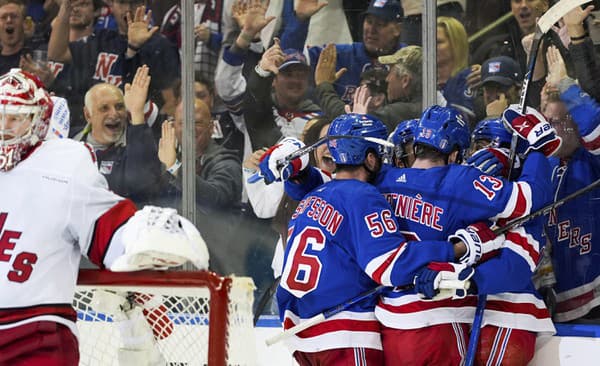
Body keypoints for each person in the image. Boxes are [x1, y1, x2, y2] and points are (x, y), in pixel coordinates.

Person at [265, 104, 559, 364]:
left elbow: (333, 183)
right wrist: (538, 150)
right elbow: (530, 199)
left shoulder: (382, 181)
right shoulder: (461, 181)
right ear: (457, 152)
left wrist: (298, 172)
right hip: (435, 322)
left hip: (384, 325)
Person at [0, 68, 207, 366]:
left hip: (33, 336)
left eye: (15, 118)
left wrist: (142, 237)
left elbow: (106, 226)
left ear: (38, 122)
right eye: (0, 117)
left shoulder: (63, 165)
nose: (5, 128)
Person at [48, 0, 180, 128]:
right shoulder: (101, 39)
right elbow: (56, 54)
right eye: (122, 2)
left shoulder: (160, 46)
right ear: (112, 5)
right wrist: (65, 7)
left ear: (144, 4)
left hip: (135, 130)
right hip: (93, 129)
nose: (128, 8)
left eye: (134, 2)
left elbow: (170, 103)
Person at [541, 45, 600, 323]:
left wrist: (565, 84)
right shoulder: (544, 166)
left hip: (594, 305)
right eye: (548, 122)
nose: (550, 131)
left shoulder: (592, 163)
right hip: (553, 304)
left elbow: (595, 126)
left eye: (558, 122)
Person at [280, 0, 404, 103]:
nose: (371, 30)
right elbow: (287, 57)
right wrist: (300, 21)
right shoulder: (340, 55)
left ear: (397, 29)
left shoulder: (409, 59)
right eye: (369, 21)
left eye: (380, 24)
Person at [73, 65, 161, 206]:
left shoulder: (137, 141)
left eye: (119, 107)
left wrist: (137, 113)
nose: (114, 114)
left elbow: (143, 186)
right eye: (104, 108)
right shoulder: (71, 140)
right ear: (88, 114)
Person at [315, 43, 423, 130]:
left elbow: (349, 121)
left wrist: (324, 85)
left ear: (405, 80)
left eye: (391, 71)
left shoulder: (400, 113)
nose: (387, 79)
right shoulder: (428, 105)